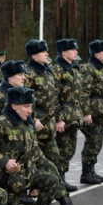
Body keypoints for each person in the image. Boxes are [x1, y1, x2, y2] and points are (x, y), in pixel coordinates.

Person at [0, 87, 92, 205]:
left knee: (51, 180)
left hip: (28, 174)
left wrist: (46, 168)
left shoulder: (27, 123)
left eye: (31, 106)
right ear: (14, 105)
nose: (30, 110)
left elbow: (34, 151)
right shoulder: (2, 123)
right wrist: (4, 161)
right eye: (26, 106)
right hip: (9, 179)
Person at [0, 59, 38, 205]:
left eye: (24, 74)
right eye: (19, 74)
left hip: (21, 153)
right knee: (2, 202)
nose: (24, 77)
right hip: (4, 155)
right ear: (9, 77)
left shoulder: (23, 94)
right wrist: (3, 140)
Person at [25, 39, 77, 192]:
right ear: (34, 55)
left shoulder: (47, 72)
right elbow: (25, 101)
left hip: (49, 122)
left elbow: (54, 98)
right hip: (37, 121)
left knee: (54, 157)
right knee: (32, 159)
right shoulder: (30, 73)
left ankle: (55, 184)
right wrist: (32, 119)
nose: (47, 54)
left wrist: (58, 118)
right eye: (43, 52)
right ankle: (31, 188)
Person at [79, 40, 103, 184]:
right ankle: (86, 173)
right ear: (96, 53)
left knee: (98, 142)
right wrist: (86, 113)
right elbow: (83, 92)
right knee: (91, 142)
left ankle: (92, 170)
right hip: (94, 111)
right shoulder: (89, 69)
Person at [52, 39, 84, 184]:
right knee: (62, 150)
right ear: (63, 52)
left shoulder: (74, 69)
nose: (76, 52)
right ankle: (59, 180)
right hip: (64, 114)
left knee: (70, 149)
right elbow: (54, 96)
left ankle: (62, 178)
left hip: (74, 114)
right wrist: (59, 118)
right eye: (72, 50)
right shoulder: (58, 69)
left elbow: (80, 94)